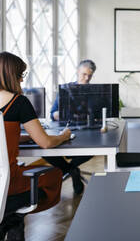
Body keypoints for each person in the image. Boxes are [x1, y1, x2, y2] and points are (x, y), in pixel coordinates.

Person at [0, 51, 71, 239]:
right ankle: (11, 214)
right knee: (54, 175)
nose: (21, 81)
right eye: (20, 75)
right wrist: (63, 136)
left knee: (12, 211)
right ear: (11, 75)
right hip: (8, 184)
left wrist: (18, 138)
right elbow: (45, 142)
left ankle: (10, 215)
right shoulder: (18, 102)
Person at [44, 59, 96, 195]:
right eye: (84, 74)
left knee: (92, 148)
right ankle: (72, 169)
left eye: (90, 76)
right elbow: (52, 113)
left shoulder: (94, 92)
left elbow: (98, 114)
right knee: (45, 151)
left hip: (86, 131)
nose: (86, 78)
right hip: (65, 129)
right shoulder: (65, 90)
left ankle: (70, 168)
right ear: (77, 72)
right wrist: (63, 114)